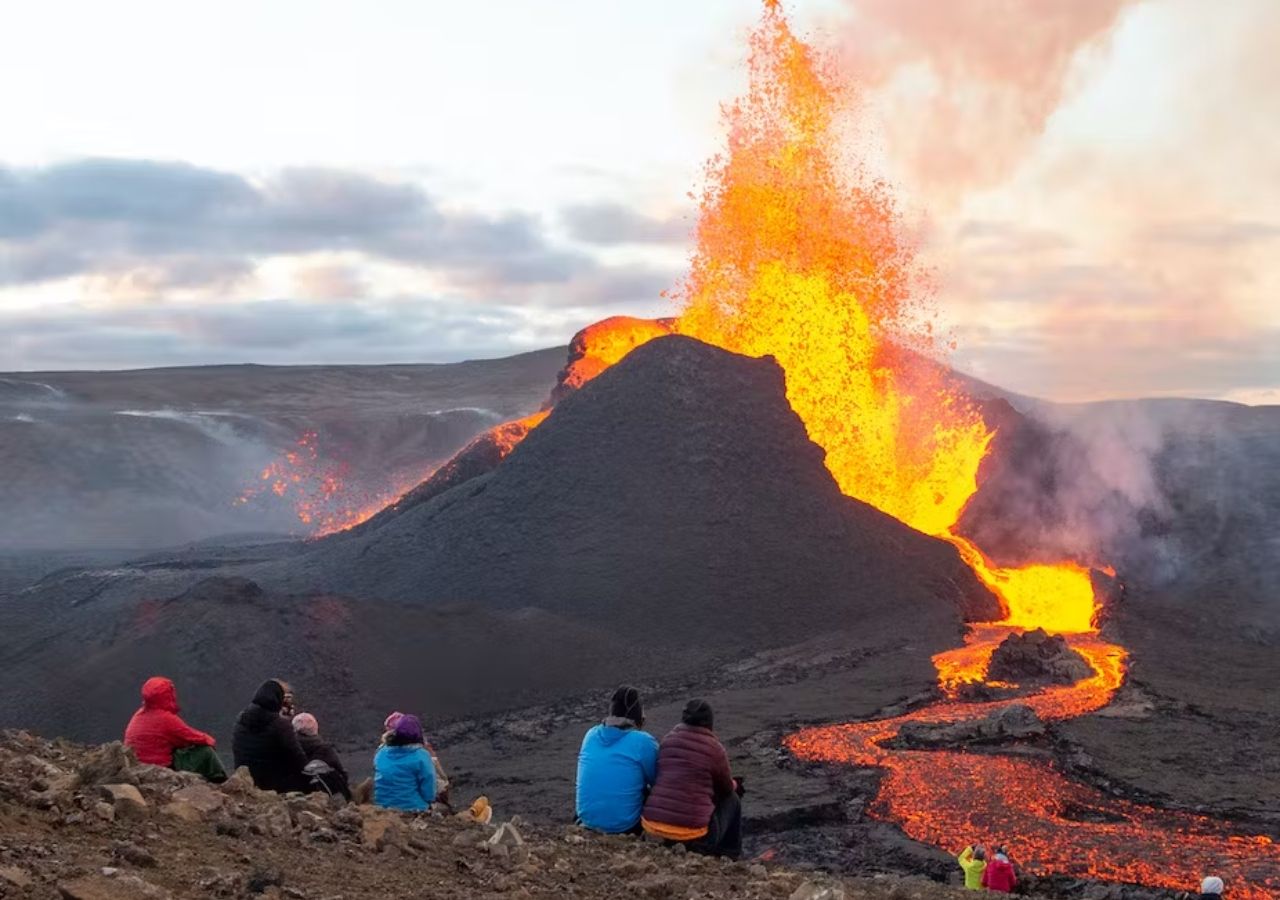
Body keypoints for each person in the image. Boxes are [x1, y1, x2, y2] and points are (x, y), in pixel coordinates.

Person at [641, 698, 742, 860]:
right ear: (709, 723)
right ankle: (730, 856)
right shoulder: (714, 748)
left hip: (653, 830)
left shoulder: (667, 740)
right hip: (694, 838)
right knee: (733, 800)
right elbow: (726, 789)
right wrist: (736, 784)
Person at [575, 685, 659, 834]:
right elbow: (657, 781)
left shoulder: (590, 735)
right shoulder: (641, 741)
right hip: (625, 826)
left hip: (586, 820)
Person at [123, 676, 226, 782]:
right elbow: (192, 737)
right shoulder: (165, 718)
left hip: (137, 768)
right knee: (205, 751)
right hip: (160, 769)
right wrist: (210, 740)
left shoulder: (139, 715)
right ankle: (220, 781)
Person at [232, 680, 308, 793]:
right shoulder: (280, 725)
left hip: (245, 778)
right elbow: (299, 759)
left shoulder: (241, 718)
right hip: (274, 784)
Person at [382, 711, 451, 808]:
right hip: (412, 805)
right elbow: (436, 784)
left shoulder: (381, 754)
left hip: (384, 803)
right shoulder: (421, 755)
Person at [373, 714, 437, 812]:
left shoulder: (381, 752)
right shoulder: (421, 756)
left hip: (381, 806)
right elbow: (428, 783)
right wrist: (429, 801)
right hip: (412, 808)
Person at [292, 713, 351, 800]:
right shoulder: (323, 749)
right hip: (320, 794)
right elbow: (341, 772)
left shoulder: (289, 747)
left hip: (293, 789)